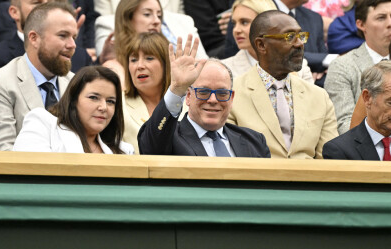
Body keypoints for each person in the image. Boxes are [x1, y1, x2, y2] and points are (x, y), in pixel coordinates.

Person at [228, 11, 338, 159]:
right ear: (261, 45)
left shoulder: (319, 96)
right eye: (290, 37)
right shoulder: (231, 94)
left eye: (301, 36)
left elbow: (328, 159)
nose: (299, 44)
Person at [138, 35, 271, 157]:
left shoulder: (254, 142)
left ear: (231, 98)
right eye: (203, 92)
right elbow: (150, 147)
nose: (213, 100)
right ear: (189, 96)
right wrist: (177, 88)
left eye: (222, 93)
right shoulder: (169, 137)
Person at [0, 2, 77, 151]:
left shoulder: (76, 84)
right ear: (34, 38)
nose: (72, 45)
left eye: (74, 37)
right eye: (63, 35)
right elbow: (3, 153)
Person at [0, 0, 91, 83]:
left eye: (50, 3)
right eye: (37, 2)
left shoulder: (81, 56)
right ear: (14, 12)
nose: (46, 9)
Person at [325, 0, 391, 135]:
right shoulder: (342, 66)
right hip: (362, 152)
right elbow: (343, 125)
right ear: (361, 24)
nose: (390, 24)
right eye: (381, 17)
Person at [14, 66, 133, 154]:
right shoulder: (41, 123)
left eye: (110, 101)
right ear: (74, 99)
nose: (103, 107)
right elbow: (30, 176)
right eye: (94, 98)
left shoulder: (124, 151)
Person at [262, 0, 332, 83]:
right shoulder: (253, 12)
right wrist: (327, 60)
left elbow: (323, 67)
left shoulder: (314, 19)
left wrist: (323, 68)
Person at [96, 0, 206, 75]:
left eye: (159, 16)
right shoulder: (114, 66)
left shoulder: (173, 57)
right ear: (128, 18)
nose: (157, 21)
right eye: (147, 14)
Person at [222, 0, 314, 82]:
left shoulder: (300, 66)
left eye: (244, 22)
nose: (236, 30)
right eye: (234, 23)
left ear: (268, 25)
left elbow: (312, 97)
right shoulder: (224, 69)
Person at [121, 32, 170, 153]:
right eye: (133, 60)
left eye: (149, 58)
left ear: (166, 64)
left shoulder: (187, 102)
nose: (139, 66)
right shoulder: (117, 103)